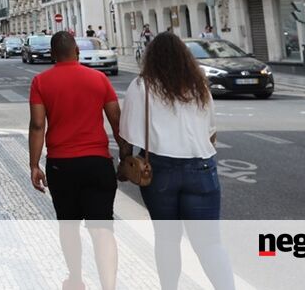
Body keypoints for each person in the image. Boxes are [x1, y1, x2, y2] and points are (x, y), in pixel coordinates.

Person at [118, 32, 234, 290]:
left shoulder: (142, 85)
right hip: (201, 166)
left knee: (167, 239)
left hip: (160, 170)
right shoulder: (198, 86)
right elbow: (211, 132)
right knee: (210, 244)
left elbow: (126, 134)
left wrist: (124, 162)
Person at [29, 32, 122, 290]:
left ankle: (76, 279)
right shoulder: (99, 79)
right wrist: (125, 155)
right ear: (77, 52)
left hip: (62, 165)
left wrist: (34, 165)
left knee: (69, 226)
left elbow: (37, 125)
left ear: (52, 54)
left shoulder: (41, 81)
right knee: (102, 229)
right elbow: (116, 120)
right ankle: (109, 287)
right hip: (98, 163)